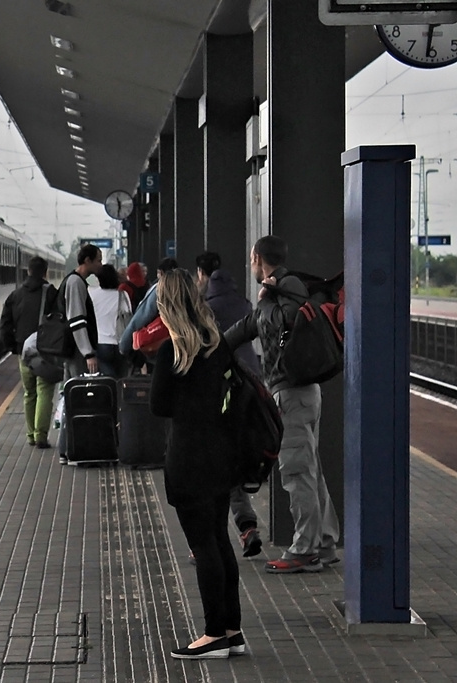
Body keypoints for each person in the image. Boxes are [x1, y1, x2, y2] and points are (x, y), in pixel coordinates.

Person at [224, 235, 340, 574]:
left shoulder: (287, 290)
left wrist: (265, 302)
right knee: (310, 471)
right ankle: (325, 542)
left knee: (297, 472)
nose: (250, 263)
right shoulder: (280, 291)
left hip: (294, 393)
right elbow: (249, 328)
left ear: (259, 258)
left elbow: (283, 328)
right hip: (297, 393)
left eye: (251, 257)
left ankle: (305, 549)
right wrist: (213, 348)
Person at [149, 268, 244, 660]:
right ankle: (233, 630)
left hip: (188, 457)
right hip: (221, 455)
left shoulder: (172, 350)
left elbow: (158, 406)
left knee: (203, 545)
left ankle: (212, 635)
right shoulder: (216, 342)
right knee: (220, 541)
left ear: (167, 304)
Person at [196, 251, 263, 558]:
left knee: (210, 467)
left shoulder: (205, 309)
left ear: (203, 277)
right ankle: (247, 526)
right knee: (233, 464)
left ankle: (207, 541)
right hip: (247, 388)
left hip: (217, 392)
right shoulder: (245, 304)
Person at [0, 256, 60, 449]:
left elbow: (5, 325)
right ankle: (41, 435)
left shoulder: (15, 295)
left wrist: (13, 347)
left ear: (28, 271)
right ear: (45, 272)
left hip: (24, 352)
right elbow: (61, 321)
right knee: (44, 391)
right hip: (46, 350)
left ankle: (30, 435)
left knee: (29, 393)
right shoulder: (51, 293)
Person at [56, 243, 104, 464]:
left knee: (70, 399)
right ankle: (70, 449)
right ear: (87, 261)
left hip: (73, 350)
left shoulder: (74, 281)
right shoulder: (75, 283)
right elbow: (77, 321)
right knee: (76, 399)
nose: (100, 264)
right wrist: (88, 352)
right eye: (98, 260)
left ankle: (67, 449)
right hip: (77, 352)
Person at [118, 258, 178, 359]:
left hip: (162, 343)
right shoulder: (188, 288)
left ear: (160, 273)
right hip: (187, 344)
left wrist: (124, 344)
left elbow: (141, 317)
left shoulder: (159, 289)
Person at [89, 264, 132, 378]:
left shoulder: (92, 294)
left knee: (107, 381)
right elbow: (129, 315)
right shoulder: (123, 295)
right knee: (122, 380)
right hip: (121, 344)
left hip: (101, 344)